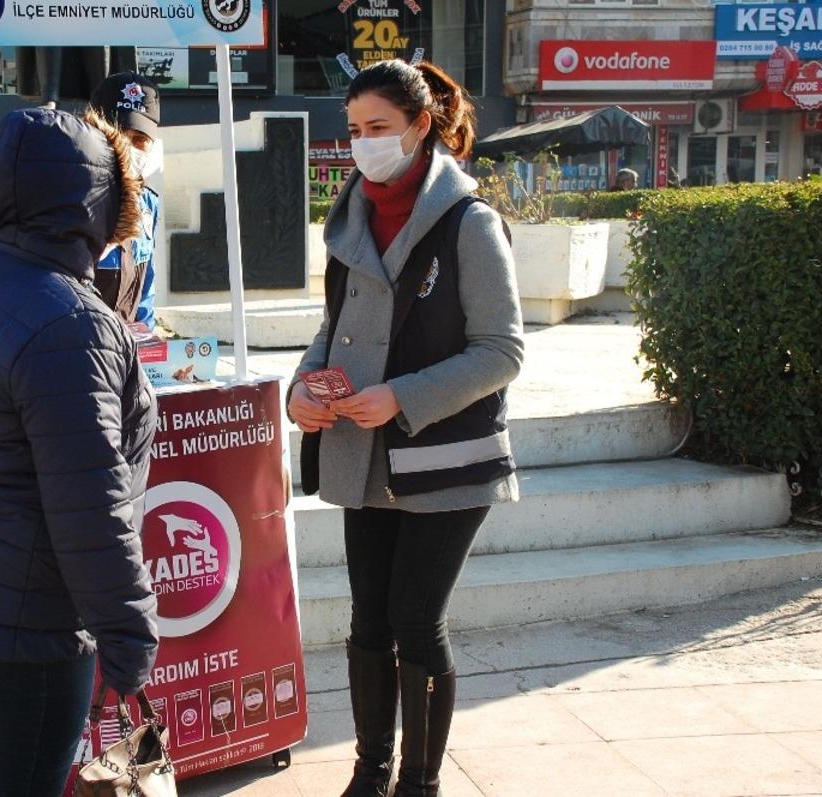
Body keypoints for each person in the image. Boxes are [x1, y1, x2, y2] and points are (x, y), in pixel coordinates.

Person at [288, 59, 524, 797]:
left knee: (416, 620)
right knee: (368, 621)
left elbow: (502, 351)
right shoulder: (349, 218)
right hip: (363, 456)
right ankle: (370, 773)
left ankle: (419, 785)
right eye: (354, 129)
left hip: (447, 457)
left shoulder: (469, 222)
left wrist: (401, 396)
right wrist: (303, 387)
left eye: (379, 127)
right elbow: (333, 327)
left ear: (421, 126)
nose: (363, 143)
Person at [0, 108, 159, 797]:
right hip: (35, 608)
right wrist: (128, 634)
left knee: (12, 773)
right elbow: (90, 503)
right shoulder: (71, 323)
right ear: (97, 201)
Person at [88, 71, 162, 329]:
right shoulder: (73, 196)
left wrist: (146, 334)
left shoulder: (149, 203)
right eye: (120, 134)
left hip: (125, 343)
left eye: (140, 139)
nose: (129, 146)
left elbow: (146, 286)